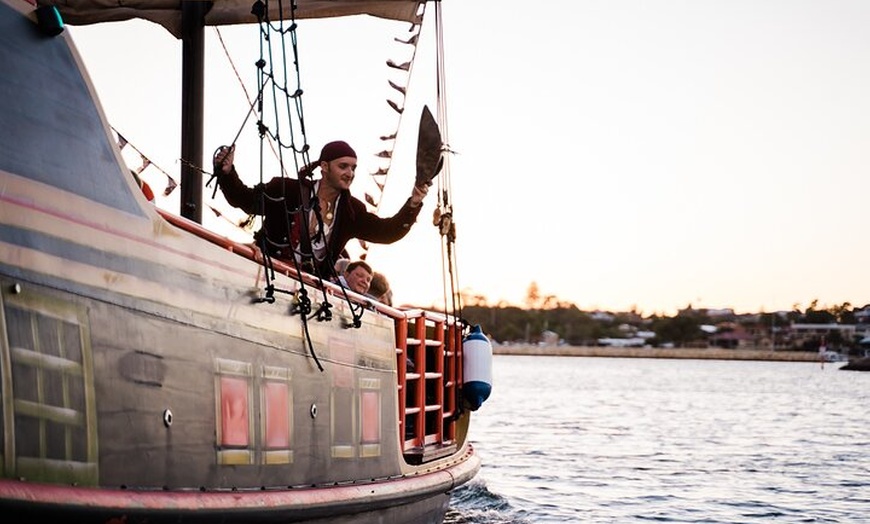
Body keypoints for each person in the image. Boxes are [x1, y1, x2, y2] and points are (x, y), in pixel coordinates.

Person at [212, 140, 429, 276]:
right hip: (266, 275)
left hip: (313, 292)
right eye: (343, 166)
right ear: (324, 167)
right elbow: (245, 200)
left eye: (353, 168)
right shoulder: (287, 190)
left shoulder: (351, 211)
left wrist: (414, 203)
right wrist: (227, 171)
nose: (350, 173)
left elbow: (387, 232)